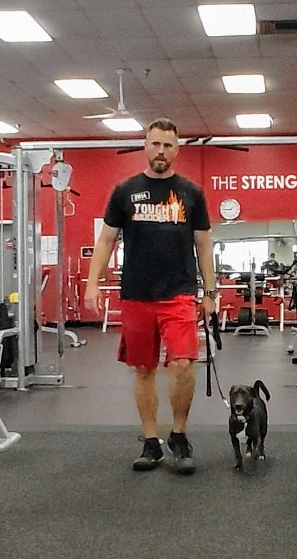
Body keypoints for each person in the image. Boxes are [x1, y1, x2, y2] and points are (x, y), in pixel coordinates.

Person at [84, 118, 216, 475]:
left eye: (168, 145)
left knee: (184, 364)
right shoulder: (124, 191)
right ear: (146, 145)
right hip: (137, 294)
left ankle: (178, 433)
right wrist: (92, 282)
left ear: (177, 149)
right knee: (143, 369)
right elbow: (106, 240)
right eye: (155, 144)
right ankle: (150, 441)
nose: (161, 151)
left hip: (179, 293)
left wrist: (211, 291)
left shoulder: (191, 193)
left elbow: (204, 246)